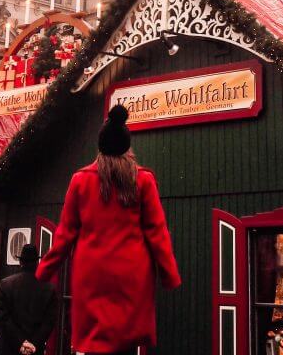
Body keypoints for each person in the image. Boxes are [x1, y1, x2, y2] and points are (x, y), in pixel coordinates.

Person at [36, 104, 181, 355]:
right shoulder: (143, 179)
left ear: (101, 146)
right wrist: (169, 274)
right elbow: (157, 231)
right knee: (126, 341)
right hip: (132, 274)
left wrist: (44, 271)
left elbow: (65, 233)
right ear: (127, 147)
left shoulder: (81, 180)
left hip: (91, 274)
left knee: (94, 342)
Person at [0, 243, 57, 355]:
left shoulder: (5, 284)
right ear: (37, 262)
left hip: (10, 347)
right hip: (35, 349)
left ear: (21, 262)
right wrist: (33, 343)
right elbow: (49, 321)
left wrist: (21, 342)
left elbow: (3, 317)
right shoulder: (49, 288)